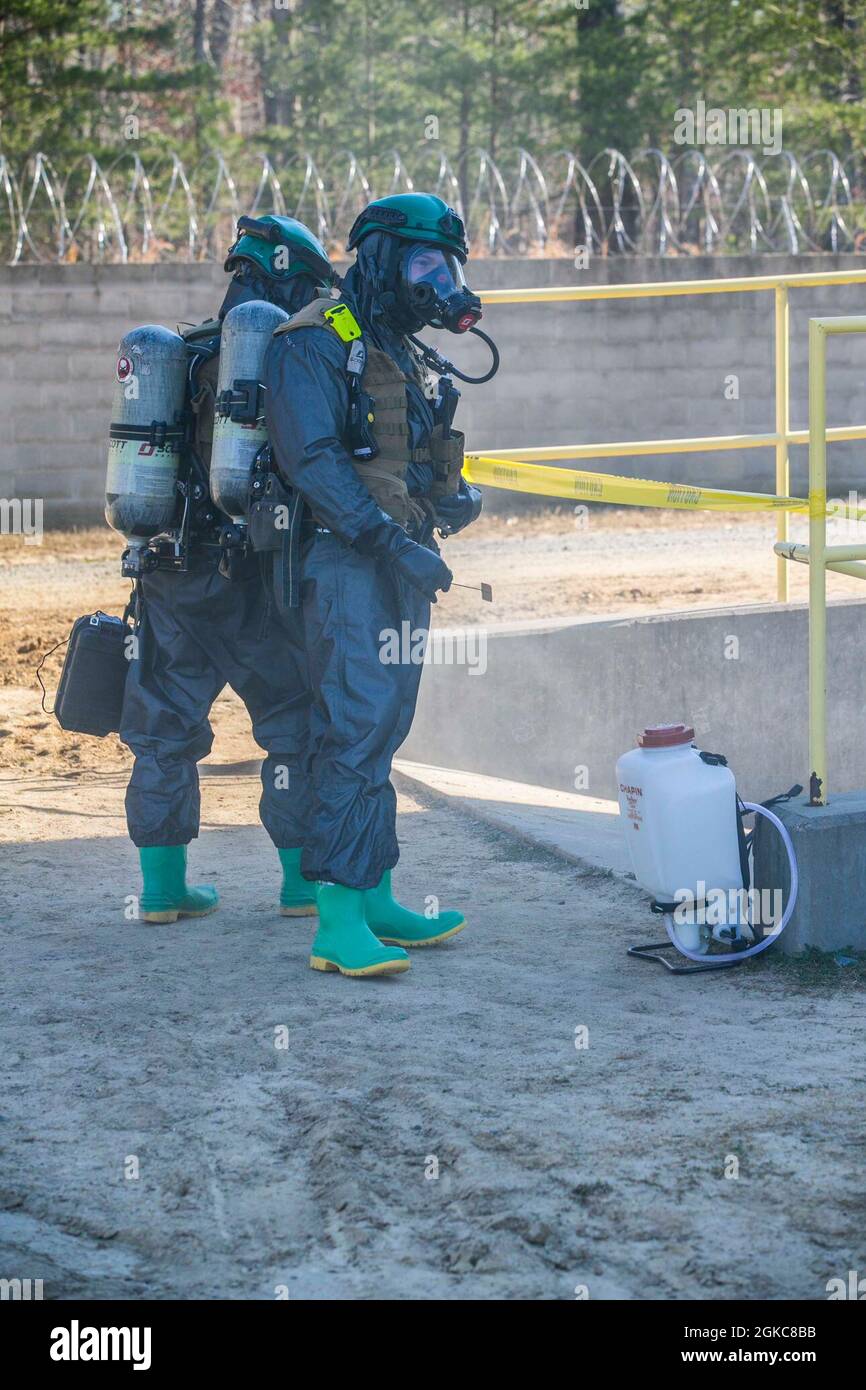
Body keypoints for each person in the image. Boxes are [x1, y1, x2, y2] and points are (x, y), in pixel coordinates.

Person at [262, 192, 488, 978]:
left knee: (383, 732)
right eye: (427, 263)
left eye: (450, 265)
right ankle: (336, 924)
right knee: (351, 734)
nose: (443, 280)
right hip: (346, 563)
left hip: (397, 563)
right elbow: (314, 464)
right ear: (385, 260)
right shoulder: (317, 340)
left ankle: (376, 894)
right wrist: (393, 546)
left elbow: (409, 459)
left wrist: (453, 499)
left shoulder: (398, 348)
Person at [119, 216, 334, 925]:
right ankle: (302, 885)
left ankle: (160, 891)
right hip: (250, 576)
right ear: (292, 277)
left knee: (162, 729)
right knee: (289, 722)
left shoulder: (173, 357)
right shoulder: (284, 354)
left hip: (166, 568)